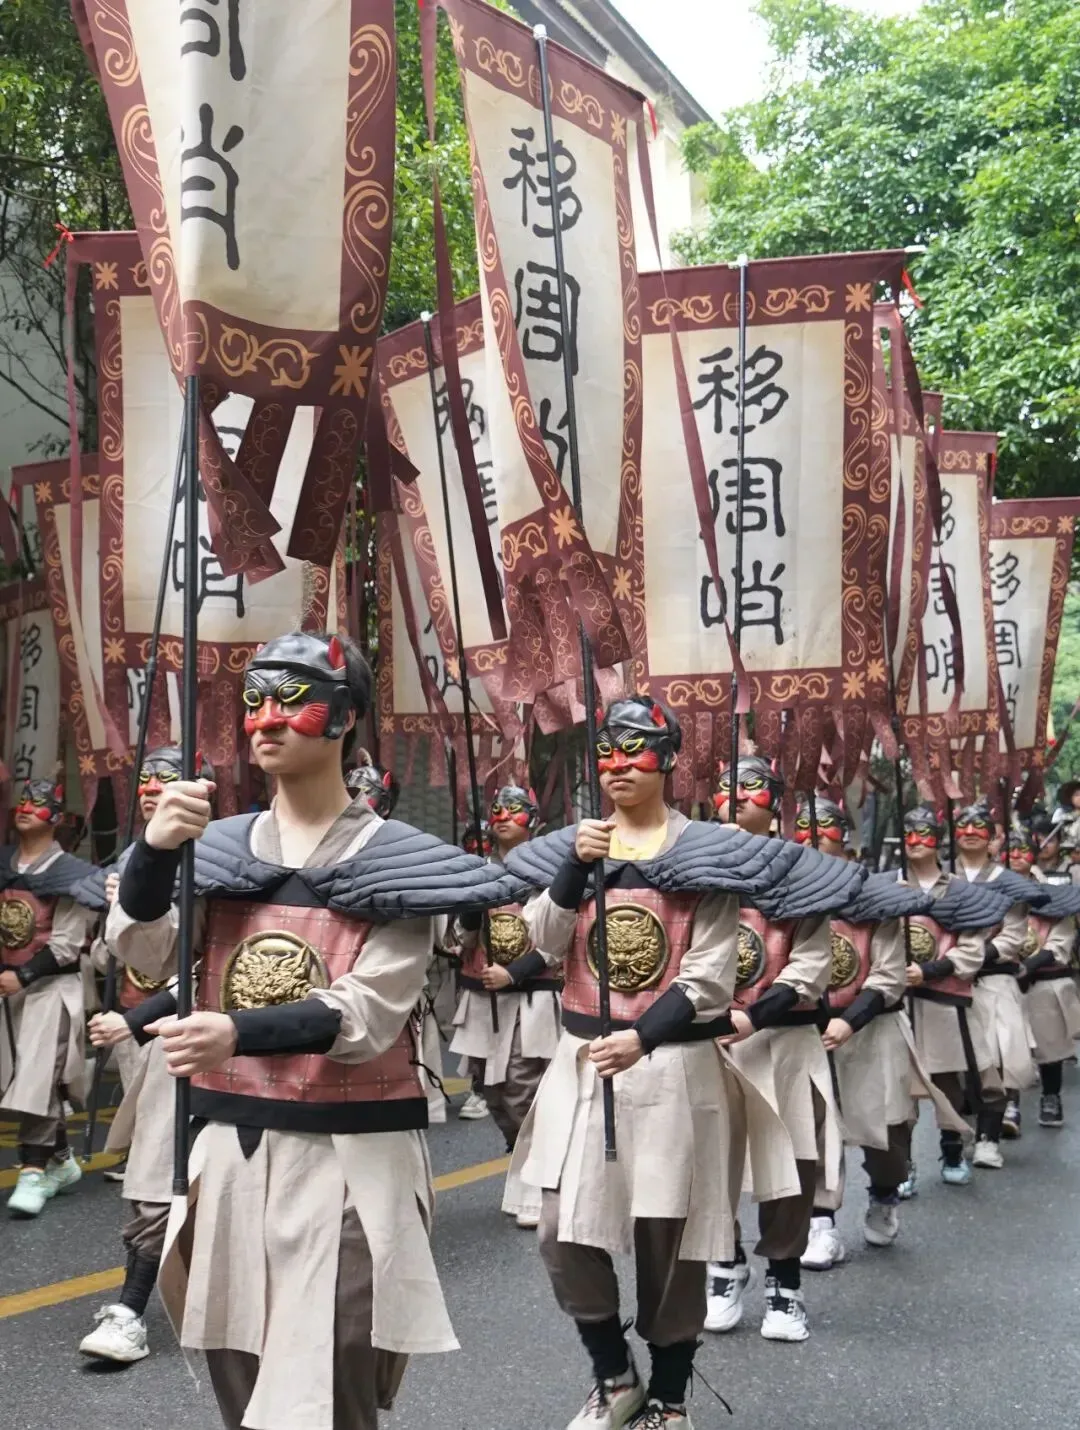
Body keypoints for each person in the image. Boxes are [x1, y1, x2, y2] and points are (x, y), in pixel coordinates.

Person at [107, 631, 527, 1430]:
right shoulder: (214, 848)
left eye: (292, 700)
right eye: (255, 701)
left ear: (345, 717)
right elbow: (147, 952)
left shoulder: (400, 863)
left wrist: (235, 1031)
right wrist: (155, 855)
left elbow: (364, 1014)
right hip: (232, 1146)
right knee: (238, 1369)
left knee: (333, 1380)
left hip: (352, 1152)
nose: (266, 719)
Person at [503, 701, 860, 1428]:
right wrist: (573, 868)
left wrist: (643, 1037)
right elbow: (543, 941)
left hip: (674, 1065)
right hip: (584, 1060)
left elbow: (707, 978)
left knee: (669, 1238)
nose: (619, 765)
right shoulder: (582, 844)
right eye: (609, 751)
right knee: (560, 1230)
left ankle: (668, 1397)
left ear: (667, 760)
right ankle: (613, 1374)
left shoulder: (707, 856)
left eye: (637, 750)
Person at [77, 746, 211, 1362]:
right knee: (156, 1174)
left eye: (170, 777)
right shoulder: (139, 860)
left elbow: (202, 969)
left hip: (250, 1044)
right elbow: (131, 952)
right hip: (169, 1043)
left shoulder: (227, 859)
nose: (156, 787)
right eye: (148, 778)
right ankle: (131, 1308)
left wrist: (132, 1020)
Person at [705, 760, 847, 1341]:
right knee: (708, 1160)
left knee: (788, 1165)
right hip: (706, 1039)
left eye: (751, 787)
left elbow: (811, 965)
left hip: (784, 1039)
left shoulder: (802, 870)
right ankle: (723, 1263)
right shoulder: (688, 862)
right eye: (725, 787)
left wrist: (755, 1016)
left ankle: (784, 1284)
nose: (736, 796)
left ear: (777, 801)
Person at [796, 797, 965, 1261]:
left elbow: (888, 974)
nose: (813, 835)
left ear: (845, 836)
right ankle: (821, 1222)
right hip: (807, 1030)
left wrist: (850, 1021)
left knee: (886, 1133)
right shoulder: (784, 891)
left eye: (825, 826)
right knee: (815, 1128)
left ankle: (885, 1195)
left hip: (873, 1027)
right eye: (804, 825)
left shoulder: (878, 895)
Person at [449, 783, 561, 1228]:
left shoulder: (553, 872)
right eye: (497, 808)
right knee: (491, 1090)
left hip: (531, 995)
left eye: (515, 809)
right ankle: (523, 1161)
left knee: (521, 1086)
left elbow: (557, 940)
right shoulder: (482, 870)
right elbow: (463, 937)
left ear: (533, 819)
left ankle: (538, 1181)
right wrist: (471, 903)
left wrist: (516, 972)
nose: (503, 815)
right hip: (483, 994)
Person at [1, 776, 103, 1217]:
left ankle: (32, 1170)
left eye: (38, 803)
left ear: (57, 818)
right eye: (23, 801)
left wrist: (24, 974)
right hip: (8, 987)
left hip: (51, 989)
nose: (26, 807)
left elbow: (66, 943)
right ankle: (61, 1160)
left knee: (39, 1077)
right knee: (15, 1076)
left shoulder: (72, 876)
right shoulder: (5, 864)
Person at [901, 805, 1018, 1186]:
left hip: (945, 1000)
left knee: (948, 1081)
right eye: (908, 832)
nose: (915, 840)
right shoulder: (889, 885)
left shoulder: (962, 893)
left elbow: (971, 950)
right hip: (896, 1002)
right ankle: (901, 1165)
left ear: (938, 839)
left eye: (924, 832)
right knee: (898, 1087)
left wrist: (932, 970)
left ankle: (952, 1148)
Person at [954, 800, 1039, 1144]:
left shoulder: (1009, 883)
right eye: (964, 826)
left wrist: (971, 956)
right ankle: (952, 1143)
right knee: (951, 1067)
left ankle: (988, 1137)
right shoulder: (944, 878)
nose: (970, 832)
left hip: (994, 978)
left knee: (996, 1058)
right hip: (945, 981)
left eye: (979, 827)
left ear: (992, 837)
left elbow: (1013, 936)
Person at [1008, 822, 1080, 1127]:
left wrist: (1033, 965)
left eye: (1023, 849)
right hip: (1002, 974)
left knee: (1049, 1042)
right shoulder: (990, 890)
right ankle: (1008, 1103)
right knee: (1005, 1045)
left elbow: (1061, 939)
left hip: (1044, 976)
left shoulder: (1054, 890)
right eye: (1011, 849)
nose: (1016, 855)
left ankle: (1051, 1096)